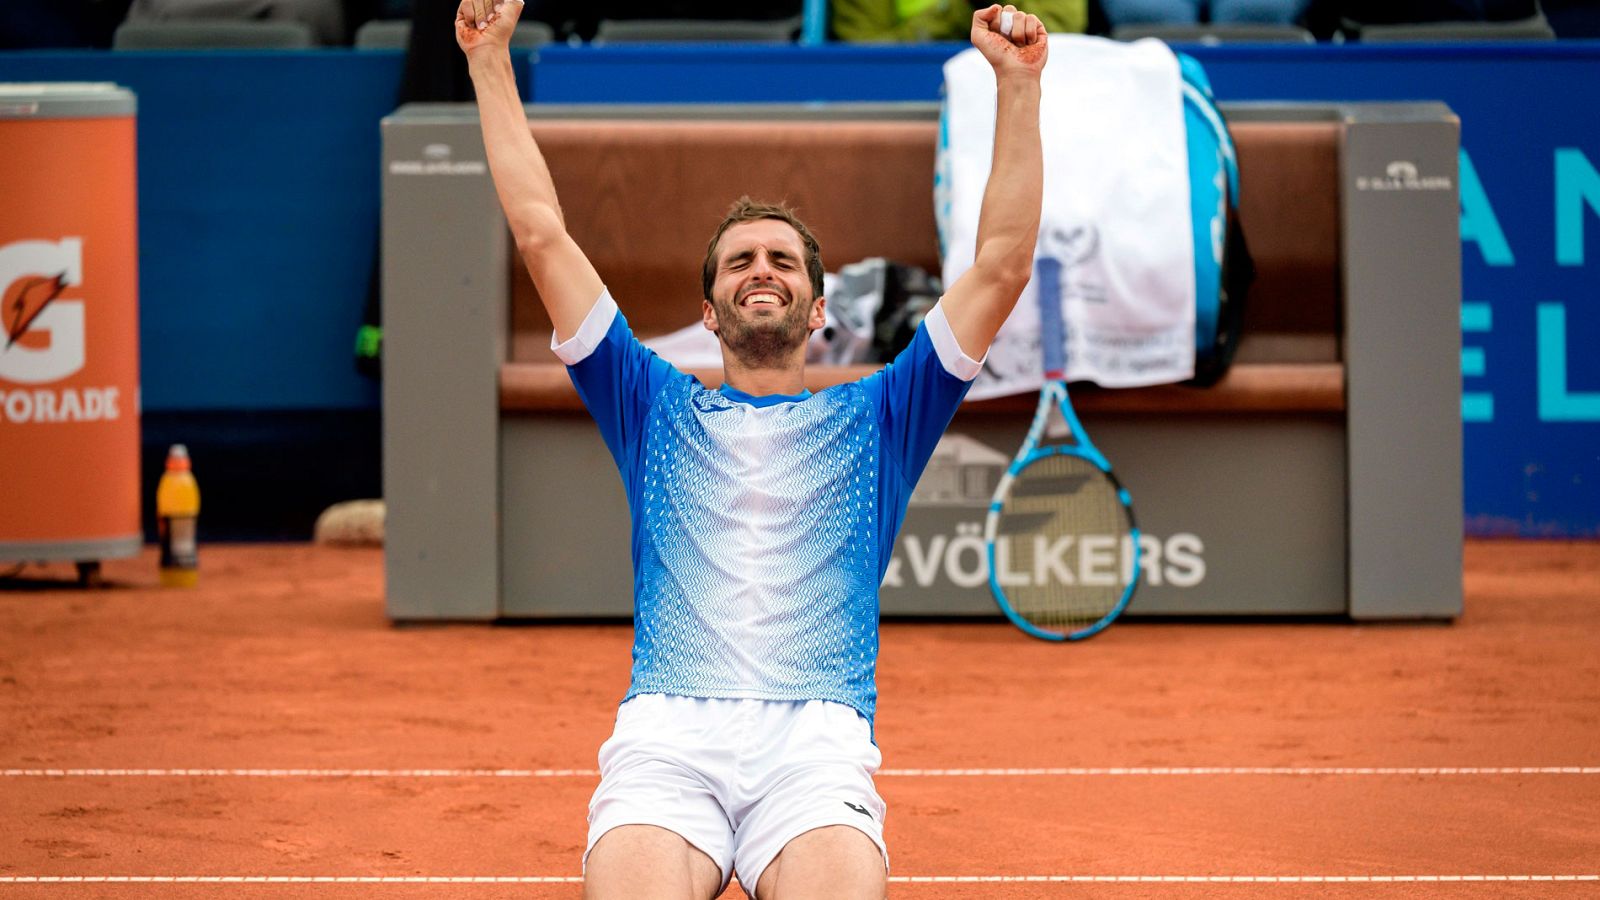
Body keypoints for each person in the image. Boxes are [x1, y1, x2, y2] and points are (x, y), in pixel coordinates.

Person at [455, 2, 1045, 896]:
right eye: (738, 262)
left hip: (814, 752)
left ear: (817, 308)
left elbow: (1001, 264)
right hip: (667, 746)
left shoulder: (885, 412)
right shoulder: (647, 400)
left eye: (781, 260)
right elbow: (542, 232)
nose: (760, 268)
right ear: (709, 312)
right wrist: (489, 56)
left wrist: (1018, 83)